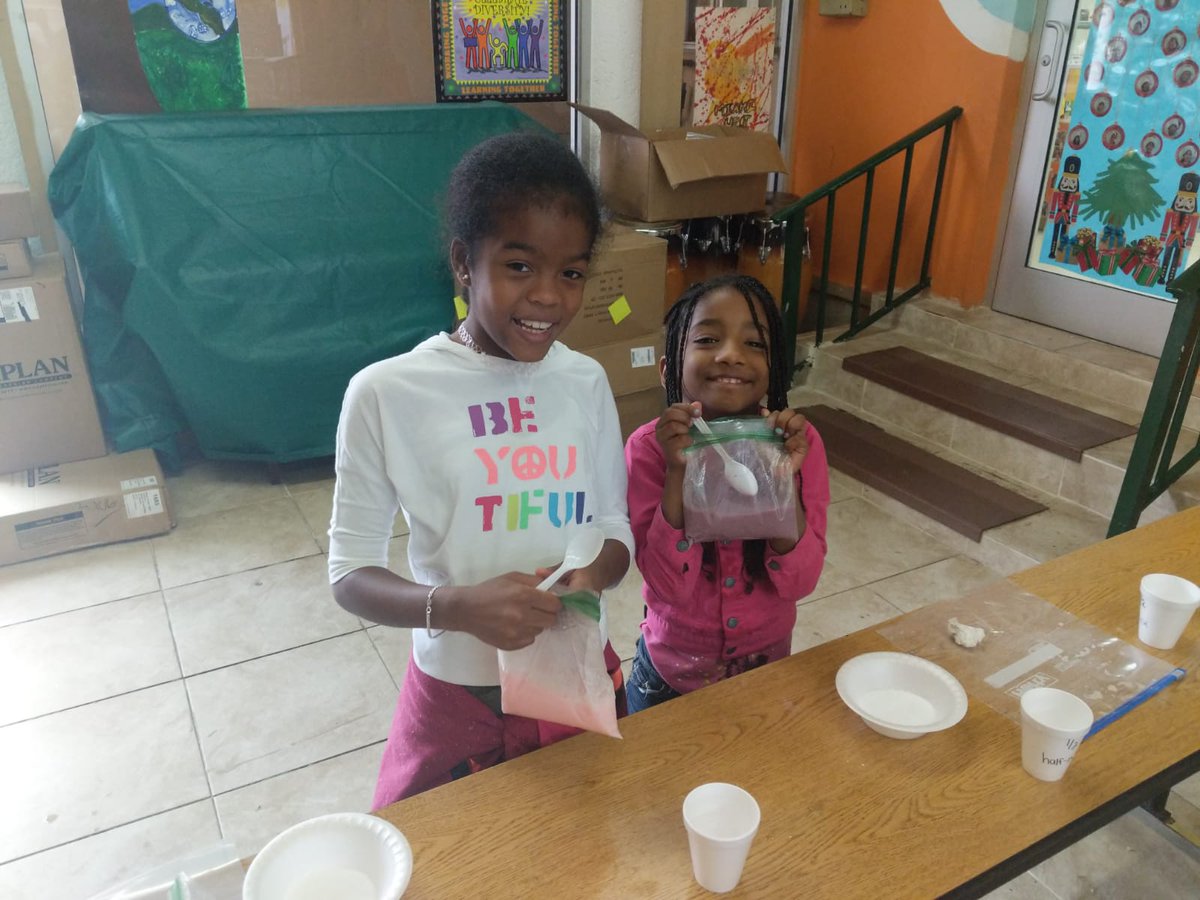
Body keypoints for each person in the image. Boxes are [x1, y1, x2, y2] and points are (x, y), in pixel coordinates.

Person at [328, 130, 634, 807]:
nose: (549, 298)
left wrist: (596, 572)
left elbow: (615, 522)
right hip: (458, 695)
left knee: (581, 847)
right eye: (520, 267)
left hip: (571, 672)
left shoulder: (584, 382)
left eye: (572, 272)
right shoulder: (386, 393)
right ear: (465, 262)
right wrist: (456, 607)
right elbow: (349, 577)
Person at [624, 274, 830, 713]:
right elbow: (666, 585)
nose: (731, 354)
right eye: (707, 338)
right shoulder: (647, 451)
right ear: (668, 369)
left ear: (774, 367)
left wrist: (781, 483)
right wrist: (678, 472)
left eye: (755, 344)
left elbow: (801, 580)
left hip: (767, 672)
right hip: (668, 679)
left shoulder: (797, 442)